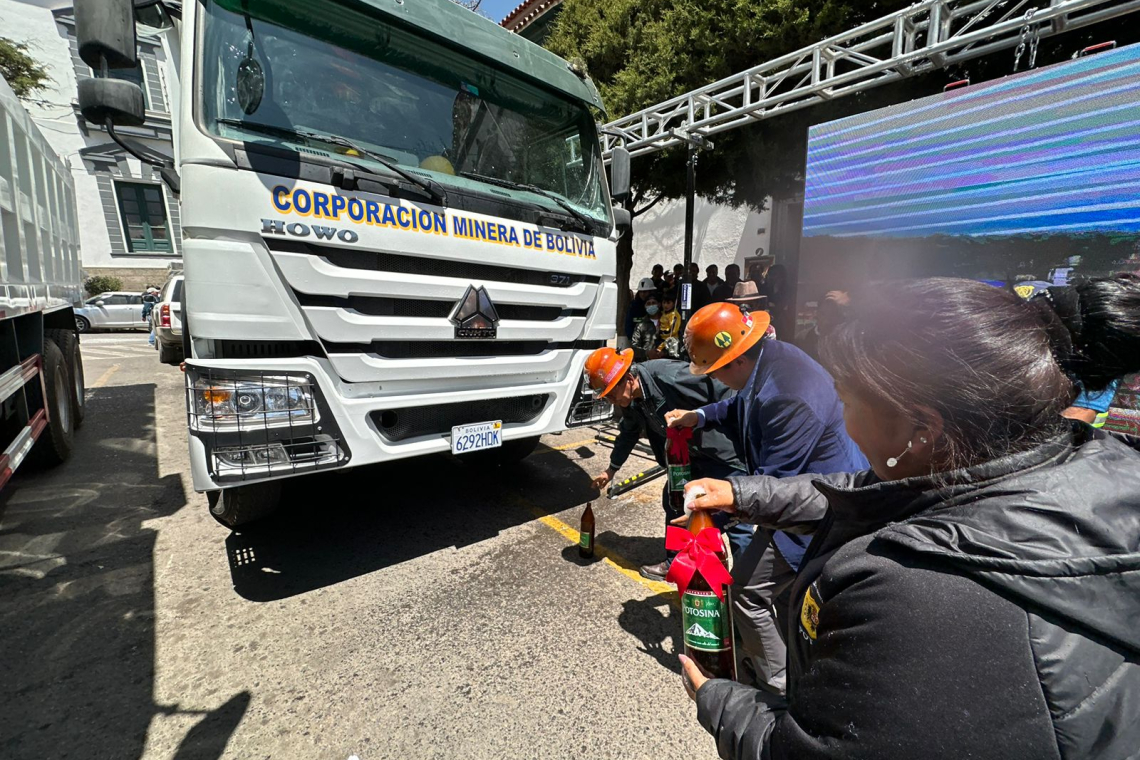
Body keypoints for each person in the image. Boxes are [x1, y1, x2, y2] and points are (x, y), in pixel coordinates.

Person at [678, 275, 1140, 760]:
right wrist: (740, 492)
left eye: (848, 402)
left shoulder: (905, 591)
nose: (841, 418)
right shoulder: (1070, 466)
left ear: (921, 426)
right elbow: (863, 492)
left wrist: (719, 700)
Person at [666, 303, 867, 693]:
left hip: (821, 504)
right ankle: (790, 653)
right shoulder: (769, 359)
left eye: (715, 370)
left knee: (746, 591)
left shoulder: (787, 395)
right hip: (800, 490)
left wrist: (711, 521)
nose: (716, 379)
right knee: (795, 594)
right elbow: (738, 402)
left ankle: (778, 685)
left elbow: (773, 486)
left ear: (734, 361)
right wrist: (699, 416)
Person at [582, 347, 751, 578]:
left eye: (611, 394)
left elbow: (726, 393)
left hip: (720, 454)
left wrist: (705, 419)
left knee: (736, 517)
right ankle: (676, 562)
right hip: (685, 460)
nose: (612, 401)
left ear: (629, 378)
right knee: (673, 502)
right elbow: (628, 432)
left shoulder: (670, 375)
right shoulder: (630, 400)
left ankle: (746, 584)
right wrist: (611, 470)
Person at [797, 290, 849, 363]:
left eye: (832, 315)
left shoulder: (845, 341)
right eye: (824, 314)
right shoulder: (802, 338)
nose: (827, 320)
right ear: (817, 313)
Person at [630, 292, 662, 362]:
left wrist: (664, 353)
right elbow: (634, 348)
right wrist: (647, 353)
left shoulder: (667, 322)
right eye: (648, 304)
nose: (651, 306)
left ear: (659, 304)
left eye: (653, 303)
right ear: (645, 306)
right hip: (646, 363)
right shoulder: (641, 325)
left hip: (664, 362)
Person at [655, 292, 683, 359]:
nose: (665, 305)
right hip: (662, 340)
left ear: (674, 303)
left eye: (668, 303)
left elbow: (673, 330)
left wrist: (662, 332)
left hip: (671, 341)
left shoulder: (674, 315)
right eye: (664, 303)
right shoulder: (663, 313)